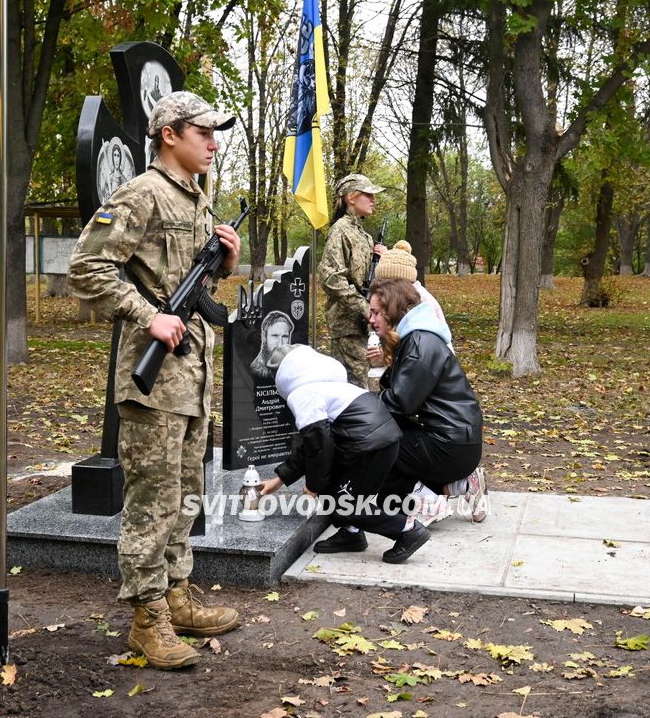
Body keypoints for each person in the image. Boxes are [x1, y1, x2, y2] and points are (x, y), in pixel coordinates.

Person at [67, 91, 242, 670]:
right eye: (203, 132)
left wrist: (226, 261)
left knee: (186, 494)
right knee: (152, 500)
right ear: (170, 134)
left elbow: (189, 285)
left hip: (193, 376)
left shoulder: (195, 198)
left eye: (215, 134)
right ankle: (147, 619)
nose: (214, 142)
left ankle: (177, 595)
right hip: (154, 379)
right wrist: (148, 315)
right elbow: (86, 267)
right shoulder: (141, 193)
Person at [258, 344, 429, 564]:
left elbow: (320, 446)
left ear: (281, 375)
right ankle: (351, 533)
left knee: (343, 503)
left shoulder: (302, 394)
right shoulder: (328, 387)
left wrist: (313, 485)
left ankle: (408, 529)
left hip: (368, 447)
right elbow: (312, 444)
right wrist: (280, 479)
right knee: (336, 492)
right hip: (380, 442)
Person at [368, 278, 488, 524]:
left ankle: (427, 502)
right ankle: (462, 485)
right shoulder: (415, 338)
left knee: (377, 438)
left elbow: (400, 403)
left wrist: (359, 407)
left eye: (376, 313)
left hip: (450, 447)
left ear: (392, 310)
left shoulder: (420, 343)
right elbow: (394, 390)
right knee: (384, 492)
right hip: (456, 442)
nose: (371, 320)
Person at [318, 174, 386, 388]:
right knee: (353, 389)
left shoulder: (361, 234)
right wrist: (364, 306)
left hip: (361, 324)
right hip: (347, 324)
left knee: (359, 385)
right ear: (351, 197)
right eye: (368, 194)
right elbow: (331, 277)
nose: (373, 200)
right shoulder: (340, 230)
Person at [249, 310, 293, 381]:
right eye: (275, 336)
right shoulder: (253, 370)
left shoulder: (294, 366)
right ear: (264, 337)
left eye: (285, 336)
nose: (280, 344)